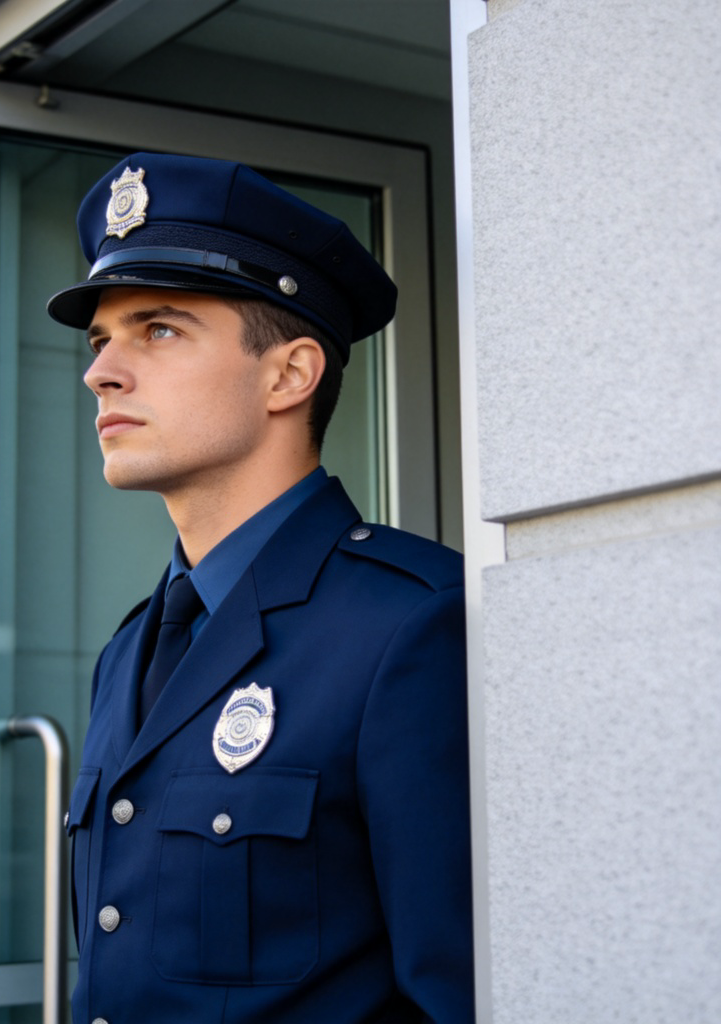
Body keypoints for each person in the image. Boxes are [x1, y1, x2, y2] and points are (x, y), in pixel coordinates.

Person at [47, 153, 474, 1024]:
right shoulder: (132, 648)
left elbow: (460, 994)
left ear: (289, 374)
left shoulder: (415, 622)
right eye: (101, 341)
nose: (101, 372)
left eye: (158, 329)